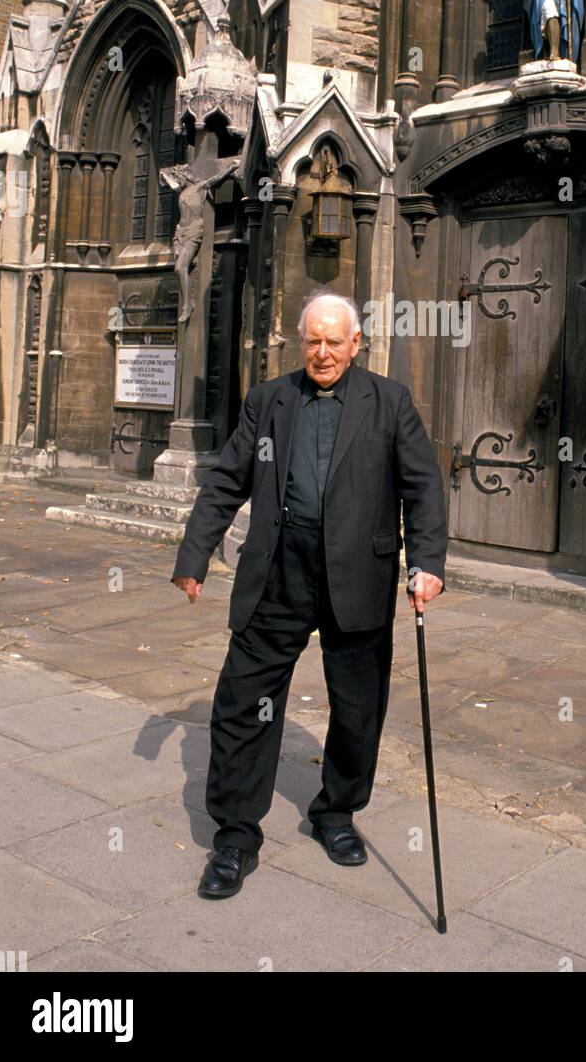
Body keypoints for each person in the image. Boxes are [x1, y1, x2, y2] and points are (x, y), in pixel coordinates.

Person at [171, 289, 448, 898]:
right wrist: (195, 554)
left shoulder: (390, 403)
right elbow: (228, 479)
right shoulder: (271, 400)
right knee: (244, 700)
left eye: (334, 341)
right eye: (312, 341)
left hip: (359, 573)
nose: (323, 353)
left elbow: (423, 488)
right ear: (302, 343)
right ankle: (236, 837)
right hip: (279, 567)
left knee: (357, 705)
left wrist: (427, 564)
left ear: (356, 343)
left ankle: (336, 813)